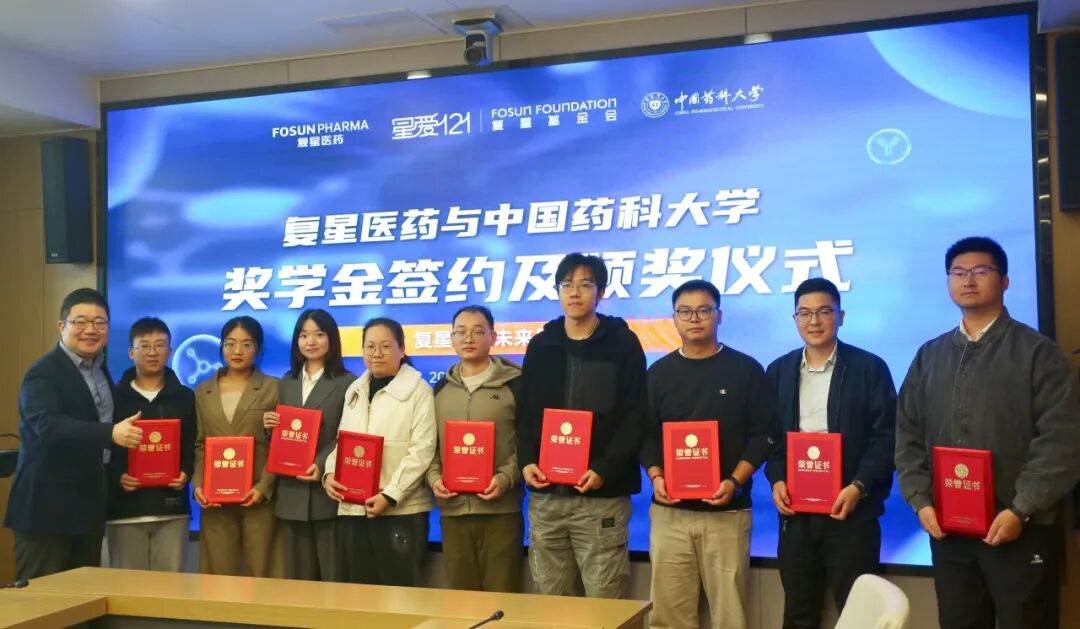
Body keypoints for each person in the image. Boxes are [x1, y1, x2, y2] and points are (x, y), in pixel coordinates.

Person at [895, 236, 1080, 629]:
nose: (968, 280)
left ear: (1005, 281)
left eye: (981, 271)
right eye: (958, 272)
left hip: (1017, 527)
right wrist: (920, 501)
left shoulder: (1037, 353)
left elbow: (1062, 440)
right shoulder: (929, 355)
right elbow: (907, 434)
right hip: (949, 531)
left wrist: (1022, 508)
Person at [641, 279, 777, 628]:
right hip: (670, 513)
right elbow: (645, 434)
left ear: (719, 315)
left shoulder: (745, 369)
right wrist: (656, 475)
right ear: (674, 319)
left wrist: (734, 481)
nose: (695, 318)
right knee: (668, 616)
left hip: (727, 513)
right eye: (685, 311)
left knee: (730, 615)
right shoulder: (659, 373)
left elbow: (764, 435)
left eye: (704, 310)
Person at [764, 278, 896, 628]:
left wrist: (858, 486)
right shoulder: (778, 371)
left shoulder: (869, 368)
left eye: (824, 311)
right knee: (798, 613)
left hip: (851, 512)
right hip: (796, 515)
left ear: (841, 316)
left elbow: (887, 438)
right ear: (794, 319)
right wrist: (777, 479)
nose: (814, 321)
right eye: (805, 313)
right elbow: (771, 439)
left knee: (859, 615)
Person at [516, 253, 647, 599]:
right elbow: (526, 412)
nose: (574, 292)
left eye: (585, 284)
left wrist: (605, 468)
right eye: (566, 285)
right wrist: (526, 460)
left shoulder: (623, 343)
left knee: (605, 602)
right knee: (552, 602)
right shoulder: (541, 345)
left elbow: (635, 414)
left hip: (600, 497)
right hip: (547, 497)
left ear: (600, 293)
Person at [5, 288, 143, 580]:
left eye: (99, 322)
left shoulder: (100, 370)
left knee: (83, 596)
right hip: (47, 509)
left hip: (89, 508)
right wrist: (110, 433)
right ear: (62, 325)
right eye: (80, 321)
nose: (90, 330)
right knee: (42, 597)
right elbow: (47, 425)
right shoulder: (43, 372)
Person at [323, 317, 436, 586]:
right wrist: (329, 474)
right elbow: (343, 442)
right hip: (354, 510)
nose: (376, 353)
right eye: (370, 346)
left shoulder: (419, 391)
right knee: (359, 593)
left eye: (385, 346)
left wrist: (390, 495)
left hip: (400, 512)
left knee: (399, 594)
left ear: (402, 349)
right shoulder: (355, 389)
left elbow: (422, 449)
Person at [427, 305, 523, 592]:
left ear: (493, 336)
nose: (468, 338)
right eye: (461, 332)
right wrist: (434, 478)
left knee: (501, 597)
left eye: (478, 331)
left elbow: (530, 443)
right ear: (452, 338)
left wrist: (505, 478)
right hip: (453, 511)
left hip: (501, 511)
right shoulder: (439, 390)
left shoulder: (516, 385)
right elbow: (428, 444)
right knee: (460, 599)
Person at [262, 309, 355, 581]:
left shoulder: (347, 383)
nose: (310, 341)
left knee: (334, 578)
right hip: (291, 493)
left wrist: (322, 463)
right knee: (298, 582)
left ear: (332, 339)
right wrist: (269, 427)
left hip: (327, 493)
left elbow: (349, 434)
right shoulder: (286, 382)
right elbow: (282, 436)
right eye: (303, 335)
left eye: (319, 334)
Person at [192, 316, 283, 577]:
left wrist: (264, 487)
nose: (237, 351)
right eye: (230, 344)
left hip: (258, 497)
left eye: (246, 344)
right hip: (216, 499)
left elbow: (280, 445)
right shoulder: (203, 391)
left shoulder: (274, 388)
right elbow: (200, 444)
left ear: (258, 348)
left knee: (264, 573)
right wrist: (198, 485)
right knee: (219, 577)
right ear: (221, 347)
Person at [106, 317, 197, 572]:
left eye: (160, 345)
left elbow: (193, 443)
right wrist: (117, 475)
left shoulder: (185, 397)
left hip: (171, 508)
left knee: (169, 588)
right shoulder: (114, 396)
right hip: (124, 510)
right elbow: (102, 445)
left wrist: (186, 472)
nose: (153, 352)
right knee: (127, 589)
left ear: (170, 350)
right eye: (144, 346)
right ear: (131, 352)